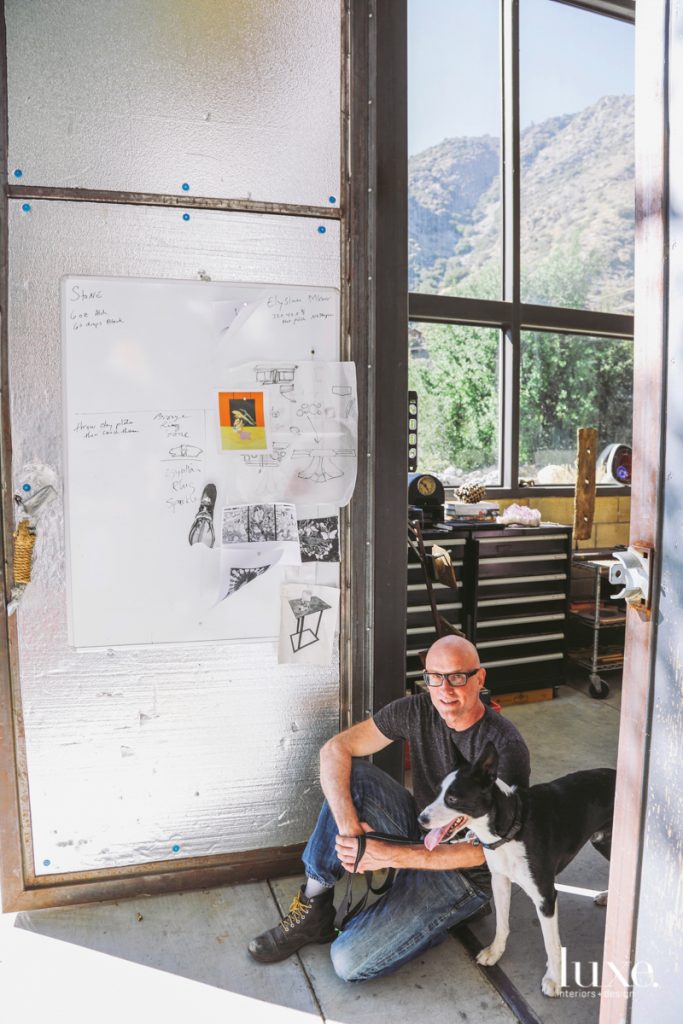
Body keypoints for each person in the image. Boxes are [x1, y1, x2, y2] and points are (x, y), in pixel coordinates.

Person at [248, 635, 530, 981]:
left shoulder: (504, 746)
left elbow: (492, 849)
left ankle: (444, 918)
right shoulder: (418, 709)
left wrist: (390, 856)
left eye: (457, 677)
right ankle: (314, 907)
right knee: (355, 777)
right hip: (422, 830)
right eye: (434, 677)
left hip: (466, 872)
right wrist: (351, 830)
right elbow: (335, 750)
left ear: (480, 679)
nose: (445, 690)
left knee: (348, 961)